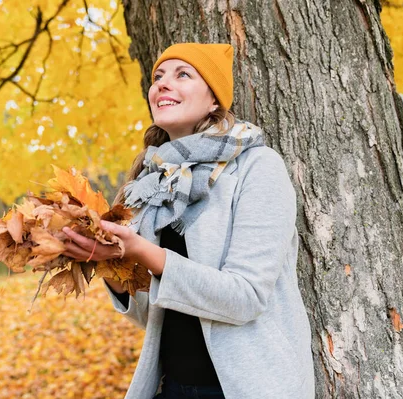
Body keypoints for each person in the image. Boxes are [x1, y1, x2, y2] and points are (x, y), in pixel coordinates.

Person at [62, 43, 315, 399]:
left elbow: (245, 297)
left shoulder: (258, 167)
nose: (163, 84)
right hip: (174, 388)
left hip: (250, 387)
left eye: (183, 74)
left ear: (214, 101)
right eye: (158, 77)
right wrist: (114, 266)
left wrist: (143, 252)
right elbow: (156, 314)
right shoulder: (151, 183)